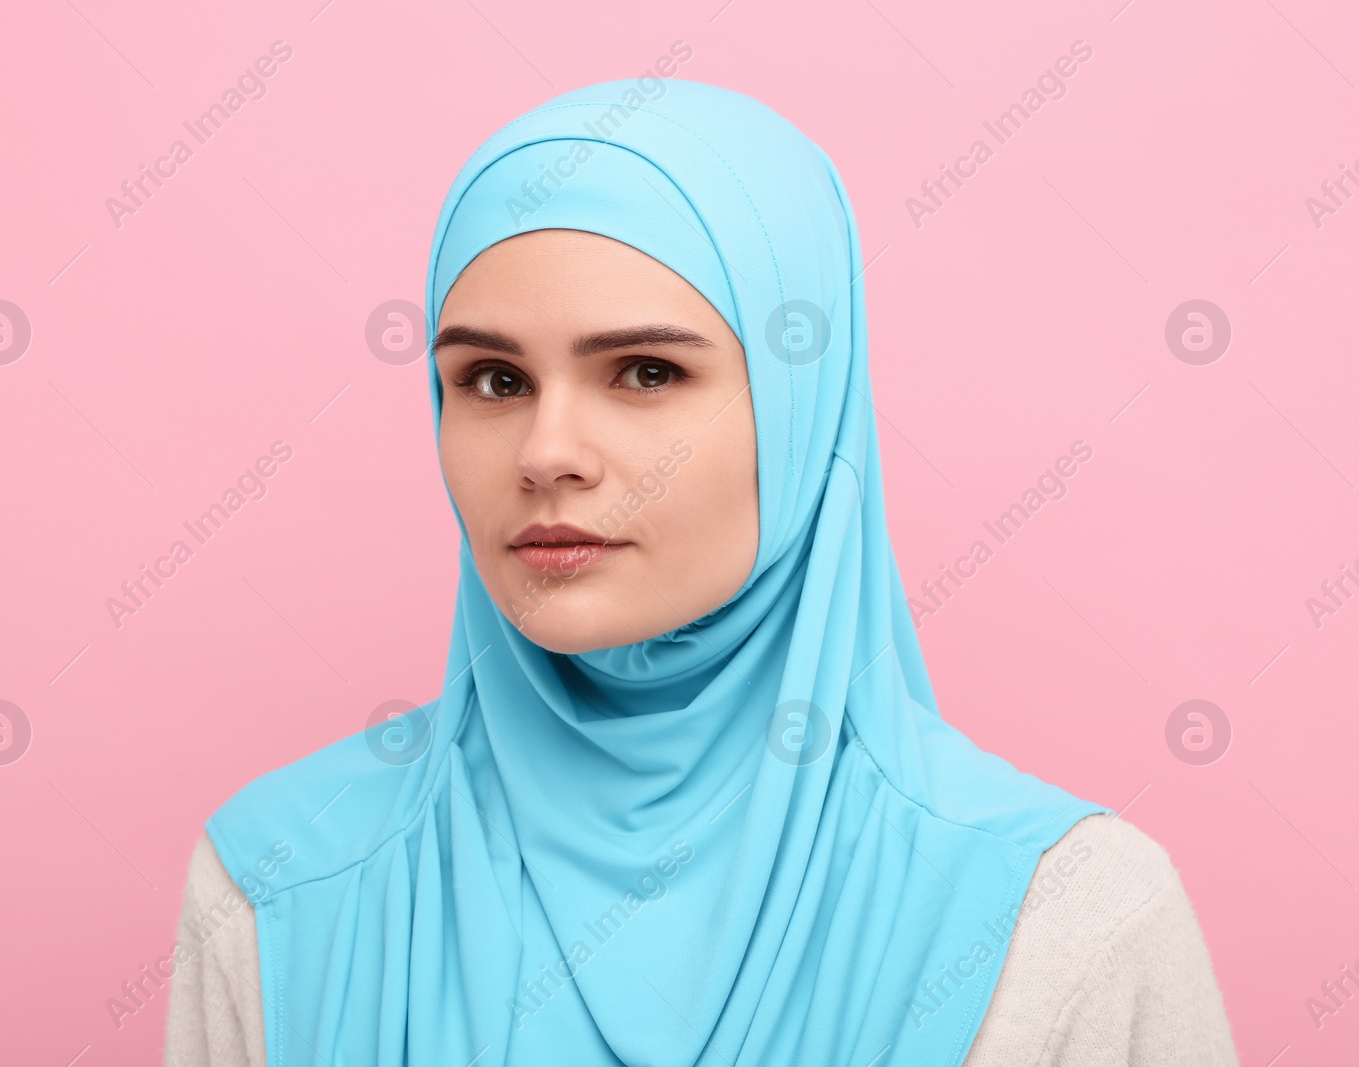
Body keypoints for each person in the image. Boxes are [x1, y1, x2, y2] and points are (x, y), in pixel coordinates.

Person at [163, 78, 1239, 1066]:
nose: (545, 453)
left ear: (800, 405)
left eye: (644, 371)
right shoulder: (281, 884)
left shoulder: (1065, 913)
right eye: (492, 378)